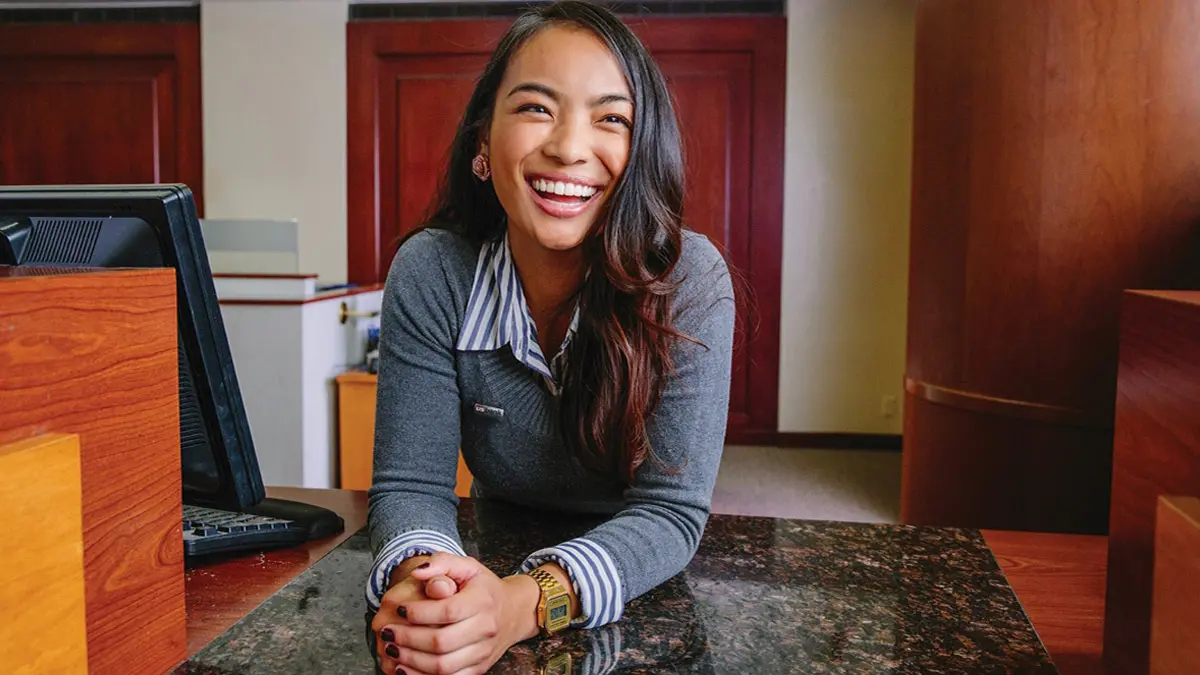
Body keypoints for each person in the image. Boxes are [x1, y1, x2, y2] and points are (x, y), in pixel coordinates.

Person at [365, 2, 735, 674]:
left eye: (611, 118)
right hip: (483, 555)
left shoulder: (689, 279)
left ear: (641, 151)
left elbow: (670, 513)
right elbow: (410, 485)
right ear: (482, 141)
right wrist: (433, 589)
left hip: (638, 579)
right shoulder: (431, 272)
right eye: (536, 107)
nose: (568, 147)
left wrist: (520, 604)